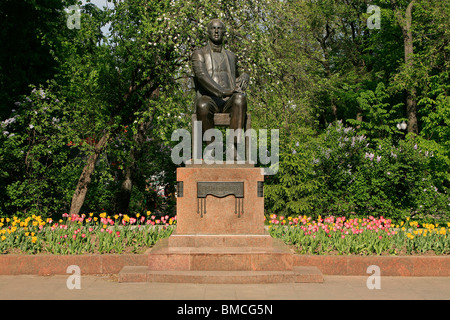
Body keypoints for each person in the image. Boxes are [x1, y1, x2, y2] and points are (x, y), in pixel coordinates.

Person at [191, 19, 250, 159]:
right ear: (208, 32)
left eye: (219, 28)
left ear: (224, 32)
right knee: (202, 105)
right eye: (213, 28)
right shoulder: (199, 54)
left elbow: (236, 78)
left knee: (240, 99)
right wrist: (223, 92)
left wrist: (245, 76)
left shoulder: (231, 56)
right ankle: (212, 148)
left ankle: (232, 147)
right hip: (210, 98)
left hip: (229, 100)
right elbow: (202, 77)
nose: (216, 31)